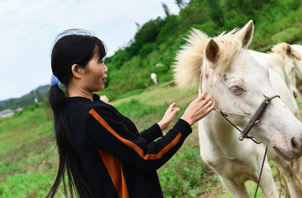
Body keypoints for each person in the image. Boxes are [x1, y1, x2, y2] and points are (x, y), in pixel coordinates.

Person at [47, 29, 215, 198]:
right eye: (100, 62)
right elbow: (147, 156)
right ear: (77, 70)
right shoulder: (92, 115)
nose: (105, 68)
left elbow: (124, 147)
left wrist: (159, 127)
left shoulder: (72, 112)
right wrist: (186, 121)